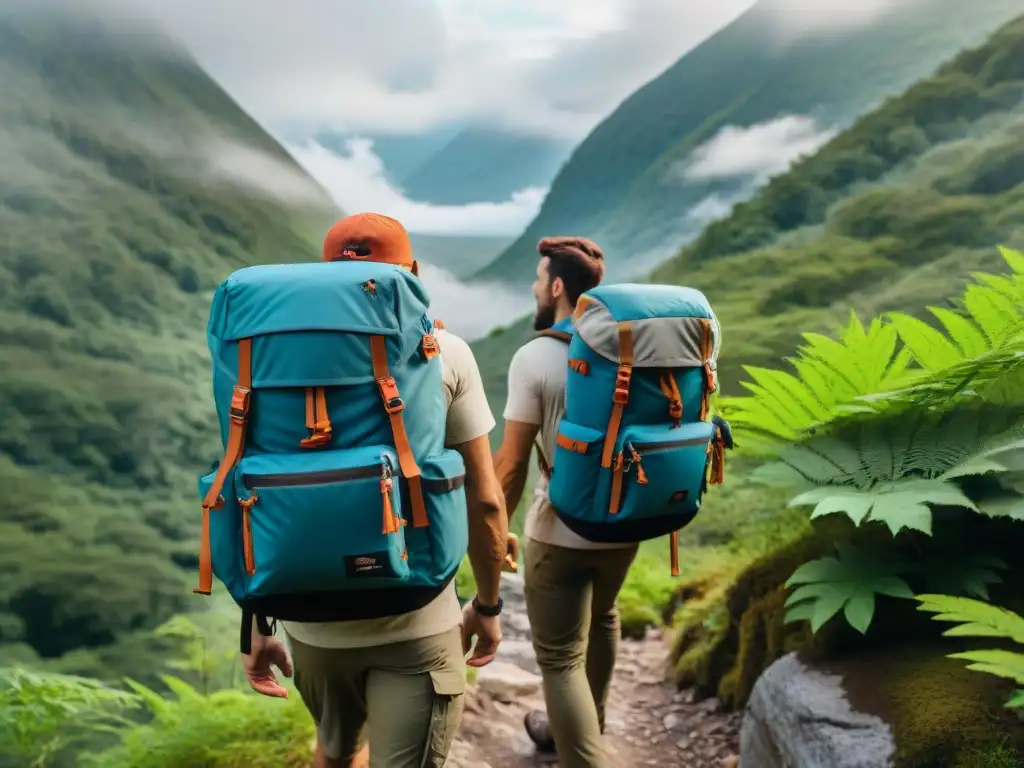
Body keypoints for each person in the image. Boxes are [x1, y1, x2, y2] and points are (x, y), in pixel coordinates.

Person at [237, 212, 509, 768]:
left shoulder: (260, 362)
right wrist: (486, 604)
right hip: (417, 616)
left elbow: (250, 489)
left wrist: (256, 621)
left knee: (336, 754)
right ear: (410, 273)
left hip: (311, 622)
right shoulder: (445, 352)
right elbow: (484, 499)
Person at [492, 237, 636, 768]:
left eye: (536, 279)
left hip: (559, 528)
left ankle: (582, 754)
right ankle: (584, 724)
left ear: (557, 287)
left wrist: (495, 529)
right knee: (602, 616)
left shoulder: (536, 356)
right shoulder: (632, 346)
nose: (533, 287)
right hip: (627, 520)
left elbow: (510, 466)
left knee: (557, 658)